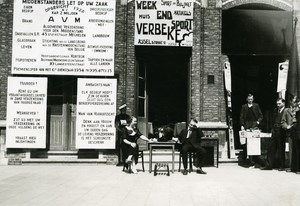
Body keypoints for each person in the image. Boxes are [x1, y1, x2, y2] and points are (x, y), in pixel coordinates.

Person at [261, 98, 286, 170]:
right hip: (275, 131)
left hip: (281, 131)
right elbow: (273, 120)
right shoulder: (275, 111)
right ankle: (268, 165)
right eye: (277, 104)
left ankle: (282, 166)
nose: (278, 105)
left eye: (280, 103)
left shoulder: (286, 111)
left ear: (283, 103)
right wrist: (272, 129)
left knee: (281, 148)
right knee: (271, 148)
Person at [240, 93, 263, 167]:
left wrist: (258, 121)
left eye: (251, 99)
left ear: (253, 99)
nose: (250, 100)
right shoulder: (244, 106)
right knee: (247, 142)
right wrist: (242, 125)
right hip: (247, 124)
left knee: (254, 141)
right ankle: (248, 159)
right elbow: (241, 116)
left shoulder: (256, 106)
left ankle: (254, 159)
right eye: (249, 99)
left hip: (254, 124)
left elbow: (260, 115)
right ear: (247, 99)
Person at [281, 96, 297, 172]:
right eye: (294, 101)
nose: (295, 103)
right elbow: (283, 121)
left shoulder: (298, 109)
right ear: (290, 101)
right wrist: (286, 126)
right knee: (290, 150)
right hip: (290, 133)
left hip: (297, 132)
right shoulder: (286, 110)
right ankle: (291, 166)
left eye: (296, 101)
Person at [292, 98, 300, 174]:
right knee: (296, 150)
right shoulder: (296, 111)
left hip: (298, 132)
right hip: (296, 132)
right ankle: (295, 168)